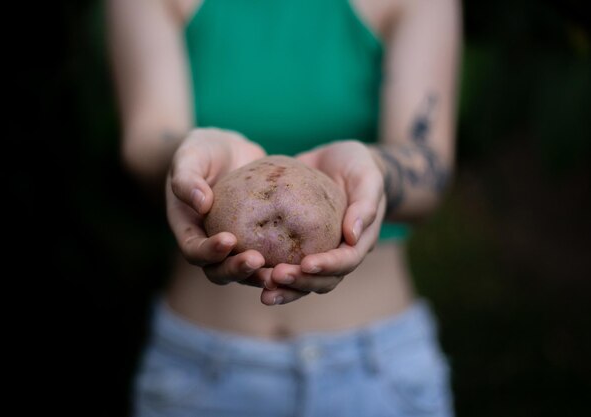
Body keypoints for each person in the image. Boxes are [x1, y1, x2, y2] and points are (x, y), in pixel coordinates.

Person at [106, 0, 462, 415]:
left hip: (376, 372)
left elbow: (429, 166)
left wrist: (375, 171)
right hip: (200, 372)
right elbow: (145, 143)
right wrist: (188, 158)